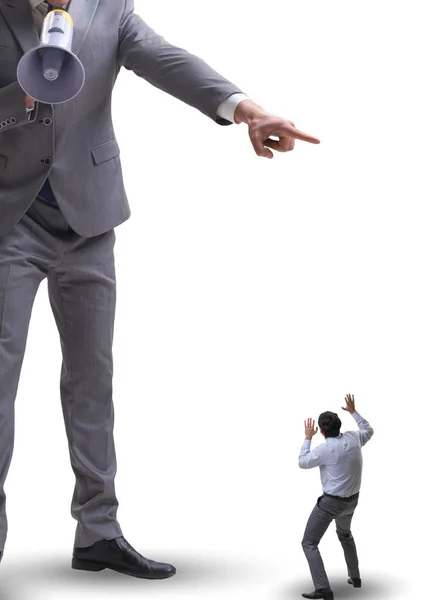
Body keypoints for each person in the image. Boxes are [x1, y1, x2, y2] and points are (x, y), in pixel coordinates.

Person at [0, 0, 320, 579]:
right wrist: (16, 101)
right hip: (8, 221)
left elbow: (169, 61)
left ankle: (98, 531)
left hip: (88, 220)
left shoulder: (110, 10)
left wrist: (247, 110)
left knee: (93, 379)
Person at [298, 394, 374, 600]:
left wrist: (307, 437)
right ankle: (355, 578)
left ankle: (323, 589)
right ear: (339, 425)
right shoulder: (353, 438)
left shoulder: (325, 449)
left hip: (331, 504)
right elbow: (369, 430)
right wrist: (353, 412)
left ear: (321, 431)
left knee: (309, 542)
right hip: (352, 501)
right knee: (345, 535)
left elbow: (303, 462)